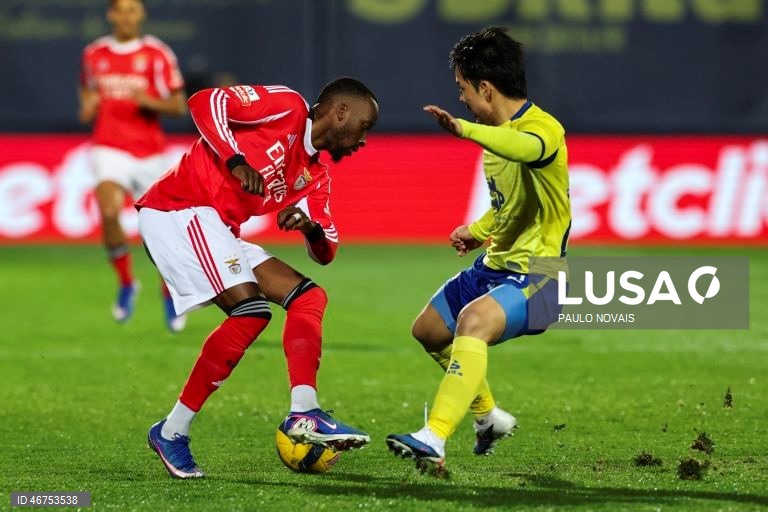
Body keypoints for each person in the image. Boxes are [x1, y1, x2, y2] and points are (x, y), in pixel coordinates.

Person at [136, 77, 379, 479]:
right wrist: (234, 159)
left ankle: (305, 413)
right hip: (178, 209)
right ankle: (172, 431)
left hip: (216, 226)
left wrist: (309, 228)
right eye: (364, 126)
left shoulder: (315, 176)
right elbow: (205, 100)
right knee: (250, 311)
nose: (364, 140)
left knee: (309, 298)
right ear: (340, 113)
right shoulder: (285, 106)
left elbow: (328, 251)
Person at [385, 26, 571, 475]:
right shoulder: (493, 139)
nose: (462, 99)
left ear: (486, 89)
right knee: (429, 331)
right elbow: (511, 205)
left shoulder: (542, 130)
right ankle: (489, 418)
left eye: (463, 89)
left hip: (540, 276)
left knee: (473, 322)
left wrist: (464, 129)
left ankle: (433, 437)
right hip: (494, 266)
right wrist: (477, 228)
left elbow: (525, 149)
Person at [78, 0, 187, 332]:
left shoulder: (157, 53)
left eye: (132, 10)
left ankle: (170, 292)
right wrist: (88, 107)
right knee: (109, 210)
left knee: (163, 232)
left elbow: (178, 105)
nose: (126, 17)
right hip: (109, 147)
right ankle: (127, 282)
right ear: (110, 14)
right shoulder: (94, 54)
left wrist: (150, 101)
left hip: (150, 154)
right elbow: (86, 99)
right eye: (120, 10)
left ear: (141, 15)